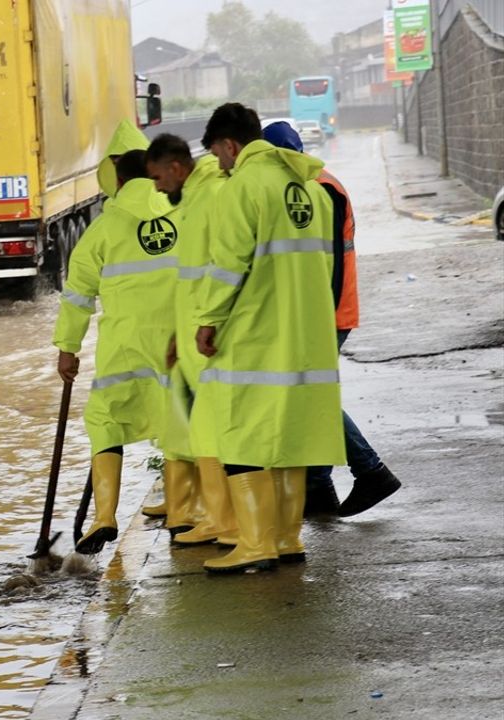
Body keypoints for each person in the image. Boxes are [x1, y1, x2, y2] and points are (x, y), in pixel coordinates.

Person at [192, 103, 345, 573]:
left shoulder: (242, 188)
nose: (219, 164)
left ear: (229, 144)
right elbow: (326, 267)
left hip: (256, 334)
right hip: (305, 335)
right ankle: (286, 538)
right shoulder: (310, 189)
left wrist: (207, 319)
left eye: (218, 154)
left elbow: (227, 266)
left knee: (242, 436)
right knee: (290, 438)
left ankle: (255, 544)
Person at [261, 121, 402, 518]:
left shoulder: (319, 189)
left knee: (310, 397)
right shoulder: (318, 183)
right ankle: (319, 487)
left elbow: (330, 263)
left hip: (327, 311)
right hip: (326, 309)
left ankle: (370, 470)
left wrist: (317, 316)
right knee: (309, 396)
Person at [55, 141, 180, 555]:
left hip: (123, 344)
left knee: (105, 419)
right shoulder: (183, 213)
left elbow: (77, 293)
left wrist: (67, 348)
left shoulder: (103, 229)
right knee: (177, 421)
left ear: (120, 182)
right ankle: (183, 509)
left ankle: (104, 515)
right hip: (178, 337)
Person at [145, 133, 235, 545]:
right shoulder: (196, 200)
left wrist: (207, 325)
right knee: (204, 430)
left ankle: (226, 522)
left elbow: (225, 266)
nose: (158, 187)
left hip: (212, 337)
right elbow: (191, 279)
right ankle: (219, 518)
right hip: (196, 337)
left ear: (177, 169)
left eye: (159, 177)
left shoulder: (211, 196)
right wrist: (178, 338)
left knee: (214, 430)